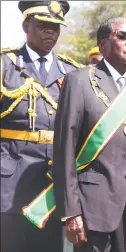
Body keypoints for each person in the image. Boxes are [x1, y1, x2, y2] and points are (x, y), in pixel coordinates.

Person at [52, 17, 126, 252]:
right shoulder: (79, 81)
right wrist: (71, 211)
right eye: (123, 36)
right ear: (103, 43)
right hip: (92, 209)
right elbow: (64, 149)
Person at [0, 1, 82, 251]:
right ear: (26, 25)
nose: (51, 32)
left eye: (56, 27)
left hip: (52, 188)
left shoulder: (71, 72)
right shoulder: (5, 65)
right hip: (9, 184)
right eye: (44, 25)